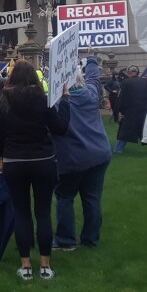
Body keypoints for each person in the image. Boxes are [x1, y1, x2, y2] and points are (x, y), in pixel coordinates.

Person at [0, 61, 70, 281]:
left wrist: (1, 156)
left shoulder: (3, 101)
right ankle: (45, 265)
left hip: (14, 160)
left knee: (22, 211)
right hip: (42, 159)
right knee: (43, 211)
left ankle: (26, 265)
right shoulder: (42, 100)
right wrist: (65, 101)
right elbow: (60, 128)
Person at [52, 57, 111, 249]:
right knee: (92, 198)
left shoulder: (57, 104)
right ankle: (90, 239)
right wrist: (91, 60)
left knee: (64, 197)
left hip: (71, 158)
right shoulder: (91, 94)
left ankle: (66, 240)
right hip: (99, 154)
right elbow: (93, 79)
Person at [114, 66, 147, 153]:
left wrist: (120, 110)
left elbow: (122, 98)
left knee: (125, 130)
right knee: (146, 129)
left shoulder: (126, 82)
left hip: (131, 110)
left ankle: (118, 150)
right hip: (143, 108)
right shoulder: (145, 81)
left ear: (129, 73)